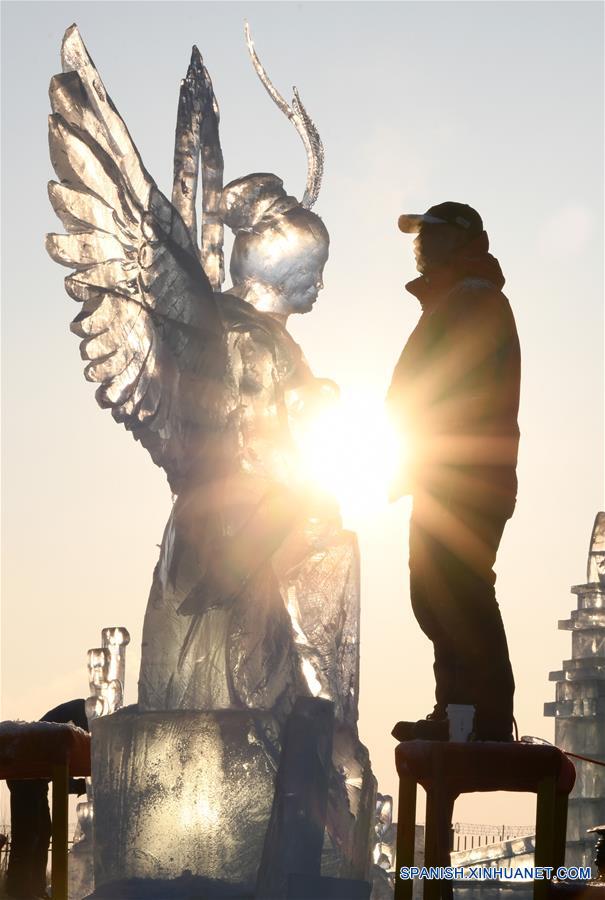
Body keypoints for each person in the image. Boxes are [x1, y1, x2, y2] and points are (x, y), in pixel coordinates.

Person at [387, 202, 520, 742]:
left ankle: (482, 719)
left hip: (465, 477)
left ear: (462, 241)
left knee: (458, 589)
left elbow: (448, 385)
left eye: (432, 236)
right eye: (420, 238)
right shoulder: (453, 302)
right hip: (444, 474)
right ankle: (458, 712)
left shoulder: (475, 301)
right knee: (437, 591)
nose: (421, 248)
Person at [5, 700, 88, 900]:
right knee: (30, 833)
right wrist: (86, 786)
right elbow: (64, 774)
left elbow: (63, 770)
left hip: (35, 778)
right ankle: (21, 890)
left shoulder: (66, 722)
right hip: (25, 775)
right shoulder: (72, 719)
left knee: (42, 832)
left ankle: (34, 889)